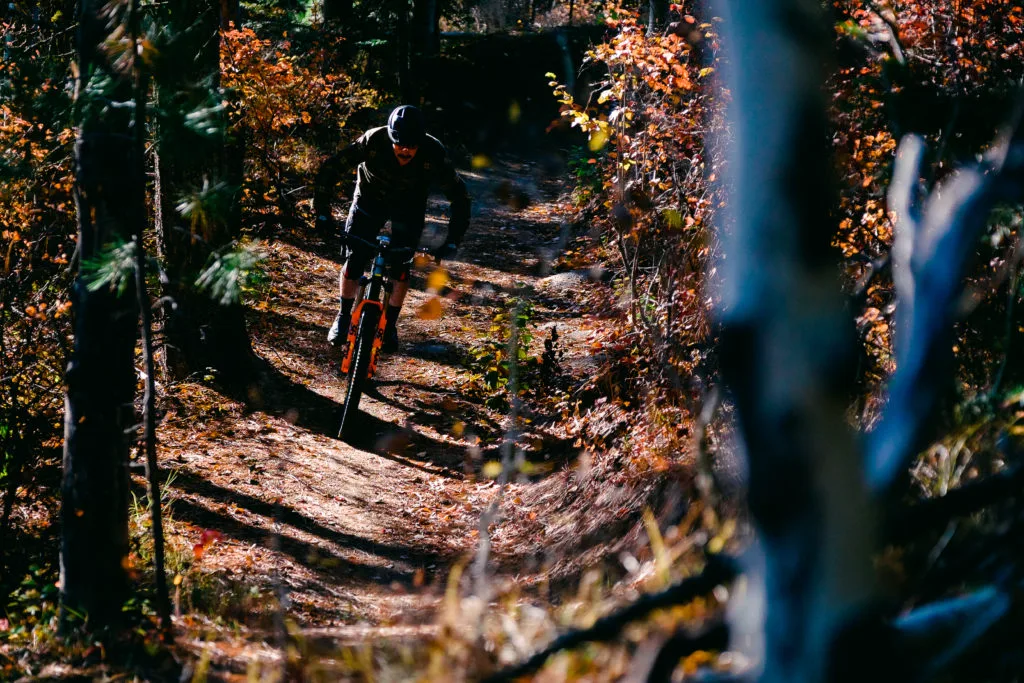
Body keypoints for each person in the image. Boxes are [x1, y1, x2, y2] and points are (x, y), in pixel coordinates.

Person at [313, 105, 471, 352]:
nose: (405, 150)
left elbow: (459, 197)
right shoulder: (373, 140)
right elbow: (331, 168)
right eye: (399, 144)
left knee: (401, 267)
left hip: (409, 207)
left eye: (412, 145)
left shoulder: (433, 152)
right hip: (368, 200)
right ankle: (343, 316)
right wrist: (322, 213)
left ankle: (389, 325)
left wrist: (453, 240)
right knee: (355, 258)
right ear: (390, 137)